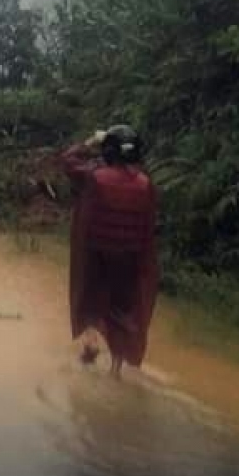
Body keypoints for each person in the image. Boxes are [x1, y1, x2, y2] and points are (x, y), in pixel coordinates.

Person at [61, 125, 158, 379]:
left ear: (109, 150)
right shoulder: (145, 184)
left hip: (95, 257)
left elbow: (68, 160)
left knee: (90, 303)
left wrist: (91, 141)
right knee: (123, 313)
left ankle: (91, 343)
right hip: (130, 260)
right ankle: (116, 371)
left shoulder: (95, 176)